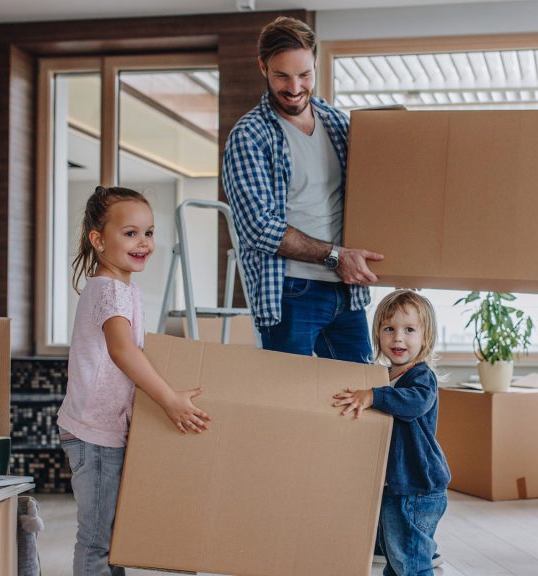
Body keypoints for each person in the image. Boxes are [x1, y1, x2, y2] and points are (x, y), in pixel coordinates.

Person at [57, 186, 211, 576]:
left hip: (106, 430)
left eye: (149, 232)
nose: (143, 242)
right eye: (130, 233)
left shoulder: (122, 288)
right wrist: (168, 399)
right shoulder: (110, 291)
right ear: (98, 240)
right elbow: (122, 351)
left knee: (114, 536)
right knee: (98, 538)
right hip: (94, 434)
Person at [223, 16, 383, 360]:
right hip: (290, 290)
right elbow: (258, 228)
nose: (295, 88)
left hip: (347, 291)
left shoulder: (338, 124)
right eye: (282, 75)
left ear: (315, 62)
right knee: (289, 402)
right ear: (263, 66)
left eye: (304, 75)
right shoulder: (249, 136)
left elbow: (373, 196)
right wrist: (335, 256)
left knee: (357, 398)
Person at [332, 290, 451, 576]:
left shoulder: (421, 377)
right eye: (389, 329)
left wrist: (374, 396)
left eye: (409, 330)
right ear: (378, 335)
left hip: (416, 487)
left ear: (426, 337)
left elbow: (414, 403)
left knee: (410, 564)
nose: (398, 338)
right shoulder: (384, 376)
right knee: (395, 559)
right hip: (397, 485)